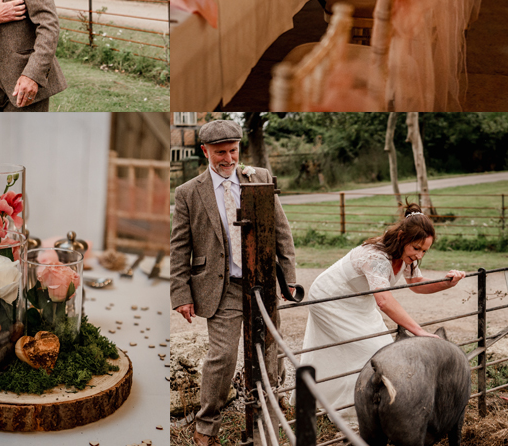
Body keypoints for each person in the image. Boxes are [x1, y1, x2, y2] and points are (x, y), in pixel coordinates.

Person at [170, 119, 297, 446]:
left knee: (270, 351)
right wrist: (181, 294)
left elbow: (280, 230)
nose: (228, 158)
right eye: (220, 152)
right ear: (205, 151)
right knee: (222, 357)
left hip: (262, 283)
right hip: (221, 287)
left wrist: (290, 279)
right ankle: (206, 425)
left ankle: (267, 413)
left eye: (233, 150)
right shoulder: (188, 193)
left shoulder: (260, 177)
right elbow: (180, 246)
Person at [293, 203, 465, 423]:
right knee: (369, 351)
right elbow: (384, 301)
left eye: (424, 251)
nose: (419, 255)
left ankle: (342, 405)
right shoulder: (376, 256)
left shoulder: (406, 256)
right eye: (417, 248)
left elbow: (416, 283)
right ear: (402, 237)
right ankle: (353, 414)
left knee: (380, 349)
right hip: (331, 299)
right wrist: (419, 331)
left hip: (359, 301)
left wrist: (446, 283)